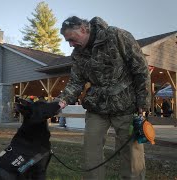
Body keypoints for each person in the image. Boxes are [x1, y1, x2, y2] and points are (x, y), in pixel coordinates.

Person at [58, 16, 150, 179]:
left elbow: (140, 68)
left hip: (126, 105)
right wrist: (63, 100)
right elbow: (76, 81)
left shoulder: (117, 36)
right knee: (91, 152)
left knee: (131, 154)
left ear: (83, 29)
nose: (71, 44)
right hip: (97, 107)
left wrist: (143, 101)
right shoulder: (78, 54)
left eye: (71, 39)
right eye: (68, 41)